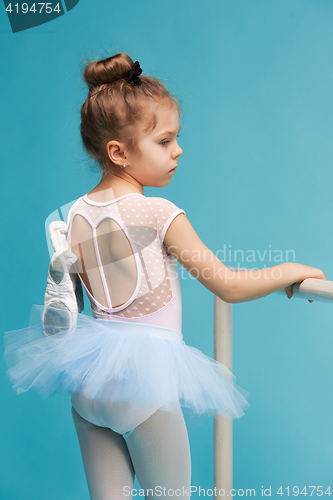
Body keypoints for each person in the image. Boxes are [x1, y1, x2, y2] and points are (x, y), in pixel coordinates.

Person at [4, 53, 326, 500]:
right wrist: (288, 270)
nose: (178, 151)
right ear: (118, 151)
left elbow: (79, 301)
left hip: (88, 378)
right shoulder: (158, 214)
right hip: (145, 381)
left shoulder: (70, 216)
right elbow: (227, 285)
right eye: (164, 141)